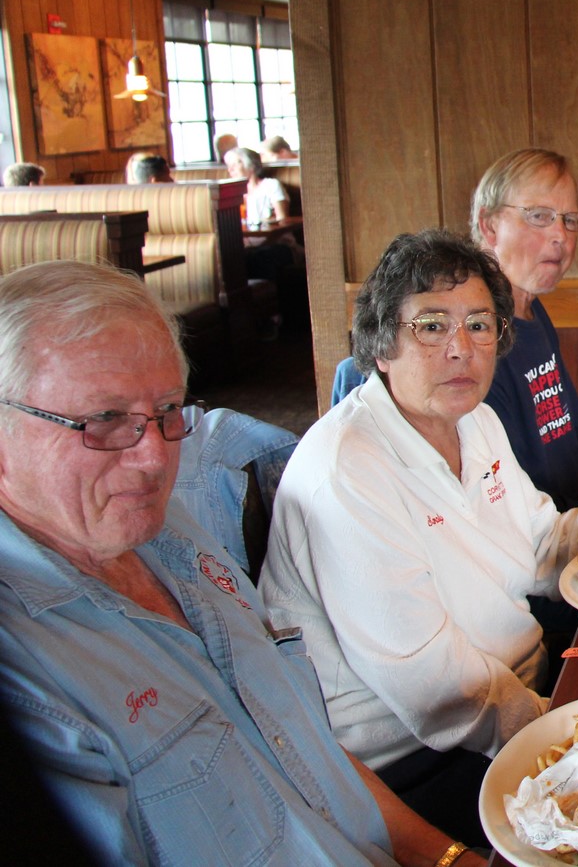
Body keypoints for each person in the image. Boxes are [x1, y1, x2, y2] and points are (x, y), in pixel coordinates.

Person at [0, 260, 487, 867]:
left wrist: (452, 860)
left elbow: (310, 755)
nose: (154, 457)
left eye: (167, 412)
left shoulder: (173, 533)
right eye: (104, 420)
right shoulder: (25, 674)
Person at [260, 229, 578, 840]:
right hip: (418, 764)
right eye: (432, 326)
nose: (461, 350)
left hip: (526, 697)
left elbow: (542, 549)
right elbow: (427, 678)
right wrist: (566, 731)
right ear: (381, 345)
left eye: (480, 325)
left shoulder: (477, 422)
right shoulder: (347, 467)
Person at [330, 148, 578, 513]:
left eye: (570, 220)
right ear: (489, 225)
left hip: (570, 519)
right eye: (540, 216)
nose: (560, 236)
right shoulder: (474, 345)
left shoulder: (530, 310)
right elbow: (500, 502)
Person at [230, 146, 291, 228]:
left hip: (274, 238)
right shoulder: (232, 191)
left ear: (250, 165)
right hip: (243, 240)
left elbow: (282, 220)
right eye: (229, 165)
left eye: (235, 164)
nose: (230, 169)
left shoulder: (271, 185)